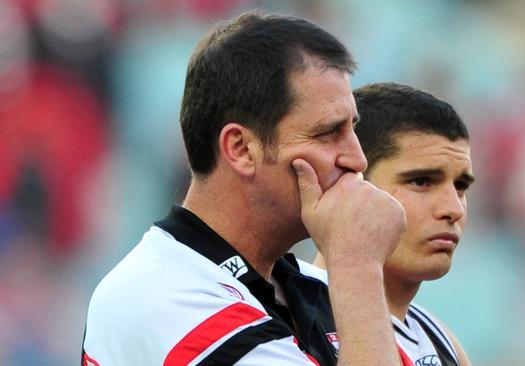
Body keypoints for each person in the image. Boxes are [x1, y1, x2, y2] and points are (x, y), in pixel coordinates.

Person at [81, 12, 409, 366]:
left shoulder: (312, 286)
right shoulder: (159, 295)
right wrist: (357, 262)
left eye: (352, 129)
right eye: (327, 133)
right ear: (240, 148)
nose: (357, 159)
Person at [300, 83, 474, 366]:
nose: (453, 209)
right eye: (421, 181)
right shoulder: (286, 311)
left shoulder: (437, 337)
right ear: (347, 182)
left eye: (461, 186)